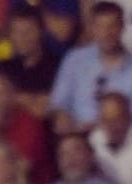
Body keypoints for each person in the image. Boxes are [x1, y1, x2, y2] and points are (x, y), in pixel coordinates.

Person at [48, 1, 132, 132]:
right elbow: (58, 104)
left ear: (122, 27)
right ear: (92, 28)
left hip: (118, 138)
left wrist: (100, 128)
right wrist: (62, 118)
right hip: (76, 135)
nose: (106, 33)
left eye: (112, 26)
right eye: (100, 26)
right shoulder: (74, 59)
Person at [89, 90, 132, 184]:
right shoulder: (93, 142)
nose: (111, 126)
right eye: (106, 120)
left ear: (128, 118)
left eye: (117, 119)